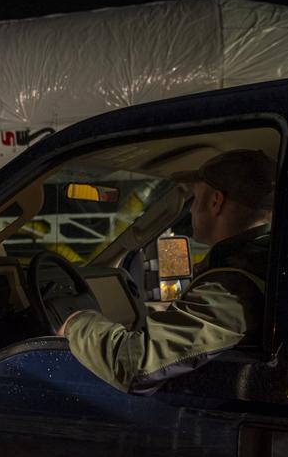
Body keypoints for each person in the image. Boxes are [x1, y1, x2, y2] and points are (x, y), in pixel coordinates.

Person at [58, 150, 274, 393]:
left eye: (194, 198)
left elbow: (137, 365)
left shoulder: (234, 283)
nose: (191, 210)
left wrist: (76, 324)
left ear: (216, 202)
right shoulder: (263, 257)